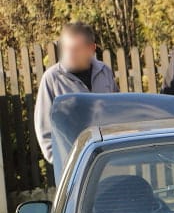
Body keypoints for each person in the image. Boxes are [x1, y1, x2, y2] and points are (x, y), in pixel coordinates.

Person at [34, 22, 118, 178]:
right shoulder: (52, 79)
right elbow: (44, 129)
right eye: (66, 48)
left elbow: (117, 114)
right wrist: (64, 163)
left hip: (108, 164)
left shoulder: (104, 72)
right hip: (72, 172)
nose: (69, 54)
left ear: (91, 49)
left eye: (75, 49)